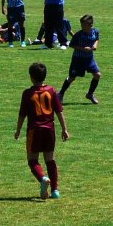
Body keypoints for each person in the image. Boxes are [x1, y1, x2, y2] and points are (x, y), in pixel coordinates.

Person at [14, 61, 69, 200]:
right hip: (49, 129)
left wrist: (18, 130)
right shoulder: (51, 91)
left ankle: (43, 178)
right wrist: (64, 129)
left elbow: (22, 114)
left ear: (31, 77)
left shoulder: (27, 93)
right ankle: (55, 190)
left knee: (32, 159)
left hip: (34, 130)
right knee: (50, 159)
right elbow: (59, 111)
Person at [59, 14, 101, 105]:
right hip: (78, 59)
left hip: (89, 59)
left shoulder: (95, 32)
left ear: (90, 25)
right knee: (71, 78)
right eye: (81, 25)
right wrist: (83, 49)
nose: (81, 27)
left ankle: (90, 94)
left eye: (83, 25)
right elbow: (71, 45)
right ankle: (61, 94)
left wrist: (95, 46)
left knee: (97, 75)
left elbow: (97, 39)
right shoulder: (78, 35)